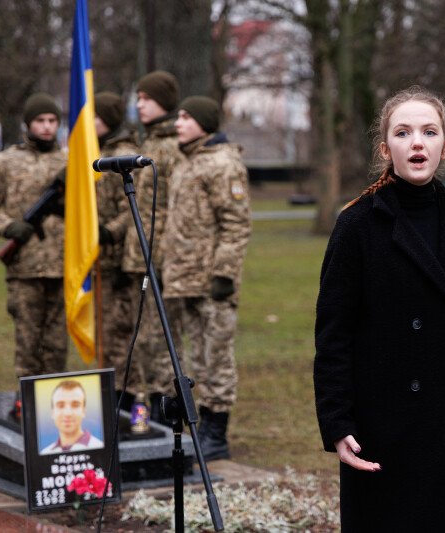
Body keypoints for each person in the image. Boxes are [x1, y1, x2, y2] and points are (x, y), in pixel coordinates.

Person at [313, 86, 445, 532]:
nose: (417, 142)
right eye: (403, 133)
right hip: (382, 424)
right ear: (386, 149)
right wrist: (337, 421)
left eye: (429, 132)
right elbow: (333, 336)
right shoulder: (357, 224)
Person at [162, 96, 251, 460]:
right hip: (185, 278)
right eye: (178, 115)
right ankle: (202, 424)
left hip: (213, 282)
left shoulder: (223, 163)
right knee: (197, 356)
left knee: (217, 358)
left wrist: (224, 273)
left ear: (204, 123)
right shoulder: (185, 160)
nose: (178, 123)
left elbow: (236, 224)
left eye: (186, 117)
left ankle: (217, 432)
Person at [0, 93, 68, 379]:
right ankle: (26, 400)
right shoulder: (5, 162)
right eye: (40, 120)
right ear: (28, 123)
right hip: (24, 267)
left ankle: (54, 401)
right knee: (28, 345)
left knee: (57, 347)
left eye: (52, 120)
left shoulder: (68, 162)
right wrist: (8, 226)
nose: (47, 126)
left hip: (63, 267)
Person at [120, 71, 184, 421]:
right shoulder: (147, 144)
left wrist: (163, 258)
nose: (139, 104)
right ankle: (152, 406)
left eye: (147, 98)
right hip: (139, 257)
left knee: (163, 342)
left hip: (161, 258)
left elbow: (177, 209)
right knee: (144, 340)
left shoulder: (173, 148)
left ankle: (167, 414)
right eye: (138, 98)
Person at [93, 91, 136, 404]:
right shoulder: (91, 150)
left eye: (95, 117)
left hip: (119, 258)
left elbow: (132, 207)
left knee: (119, 332)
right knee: (104, 334)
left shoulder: (123, 155)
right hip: (97, 260)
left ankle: (124, 396)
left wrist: (109, 232)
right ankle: (109, 390)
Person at [40, 379, 103, 454]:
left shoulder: (101, 447)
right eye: (60, 405)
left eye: (75, 405)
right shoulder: (45, 453)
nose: (68, 413)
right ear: (52, 412)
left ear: (84, 411)